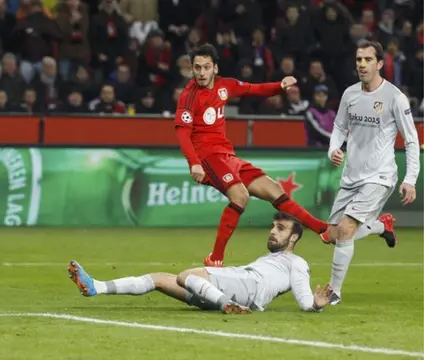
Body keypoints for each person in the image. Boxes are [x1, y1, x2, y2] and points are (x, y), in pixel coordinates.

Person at [174, 44, 328, 267]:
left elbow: (253, 90)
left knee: (275, 190)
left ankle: (321, 229)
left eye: (206, 67)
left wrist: (279, 86)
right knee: (240, 196)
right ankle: (215, 257)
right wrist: (194, 164)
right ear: (192, 69)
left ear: (215, 68)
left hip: (228, 155)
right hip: (208, 158)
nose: (201, 72)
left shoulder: (224, 86)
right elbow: (182, 133)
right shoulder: (188, 96)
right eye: (197, 67)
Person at [68, 212, 334, 314]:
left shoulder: (296, 262)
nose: (273, 231)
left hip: (249, 287)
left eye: (281, 228)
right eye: (273, 226)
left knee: (186, 275)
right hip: (235, 284)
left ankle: (229, 305)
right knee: (159, 278)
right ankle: (96, 286)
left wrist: (316, 306)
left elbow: (303, 298)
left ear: (294, 237)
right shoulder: (270, 258)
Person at [323, 40, 420, 305]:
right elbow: (339, 128)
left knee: (345, 228)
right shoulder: (349, 95)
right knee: (332, 235)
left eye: (368, 60)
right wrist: (334, 150)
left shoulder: (395, 98)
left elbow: (411, 140)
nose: (362, 64)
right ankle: (380, 225)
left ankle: (333, 291)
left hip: (379, 176)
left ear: (379, 64)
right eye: (358, 60)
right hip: (351, 177)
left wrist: (409, 179)